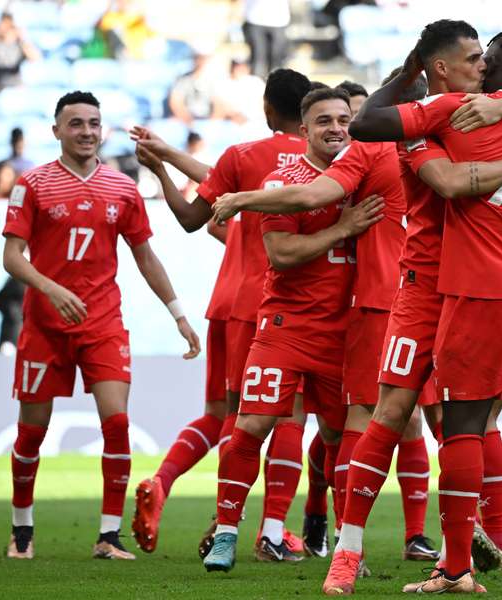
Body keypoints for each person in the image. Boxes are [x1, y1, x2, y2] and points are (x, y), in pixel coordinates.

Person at [347, 27, 502, 593]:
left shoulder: (455, 114)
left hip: (481, 290)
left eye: (487, 58)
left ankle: (456, 568)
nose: (479, 65)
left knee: (461, 429)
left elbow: (365, 125)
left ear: (499, 69)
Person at [1, 90, 200, 561]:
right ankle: (22, 529)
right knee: (32, 431)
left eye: (93, 123)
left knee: (117, 423)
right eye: (76, 124)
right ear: (56, 131)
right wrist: (51, 289)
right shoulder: (32, 184)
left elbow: (145, 257)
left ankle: (108, 537)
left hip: (103, 323)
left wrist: (179, 315)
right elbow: (11, 258)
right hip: (45, 326)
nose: (86, 131)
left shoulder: (123, 189)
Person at [128, 69, 313, 557]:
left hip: (229, 302)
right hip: (284, 308)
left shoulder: (243, 157)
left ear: (268, 109)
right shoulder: (325, 161)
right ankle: (266, 529)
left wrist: (162, 166)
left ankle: (167, 483)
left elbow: (199, 217)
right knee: (288, 415)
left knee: (223, 415)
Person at [200, 86, 384, 573]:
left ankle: (346, 545)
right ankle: (225, 534)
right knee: (252, 425)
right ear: (303, 130)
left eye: (343, 119)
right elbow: (281, 254)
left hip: (346, 331)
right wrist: (342, 229)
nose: (336, 128)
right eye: (323, 120)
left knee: (343, 435)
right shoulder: (284, 180)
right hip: (286, 325)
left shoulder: (364, 176)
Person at [0, 12, 40, 90]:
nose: (6, 28)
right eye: (4, 23)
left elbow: (35, 58)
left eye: (9, 25)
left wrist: (21, 38)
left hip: (15, 83)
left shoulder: (21, 44)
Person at [241, 0, 291, 79]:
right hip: (254, 19)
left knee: (276, 61)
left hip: (279, 20)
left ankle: (276, 87)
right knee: (257, 60)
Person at [168, 52, 218, 125]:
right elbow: (175, 102)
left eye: (204, 59)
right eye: (199, 58)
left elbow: (218, 103)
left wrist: (212, 122)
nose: (202, 62)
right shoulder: (183, 79)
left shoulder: (214, 80)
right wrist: (187, 119)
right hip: (186, 120)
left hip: (206, 121)